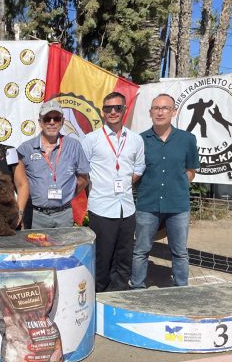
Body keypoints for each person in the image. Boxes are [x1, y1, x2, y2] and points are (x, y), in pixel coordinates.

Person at [131, 94, 200, 288]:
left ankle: (180, 290)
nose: (160, 112)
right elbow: (135, 171)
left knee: (179, 252)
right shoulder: (140, 140)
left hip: (178, 205)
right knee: (141, 250)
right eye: (156, 108)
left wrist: (175, 186)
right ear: (150, 112)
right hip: (147, 204)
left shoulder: (187, 139)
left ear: (173, 111)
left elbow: (191, 170)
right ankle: (136, 288)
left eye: (165, 108)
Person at [82, 92, 145, 292]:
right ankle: (99, 296)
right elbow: (83, 172)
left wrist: (124, 183)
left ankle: (118, 296)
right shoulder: (91, 139)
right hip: (101, 207)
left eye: (117, 107)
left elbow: (139, 168)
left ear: (124, 110)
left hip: (126, 208)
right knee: (102, 257)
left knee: (124, 257)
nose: (113, 112)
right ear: (103, 112)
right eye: (108, 108)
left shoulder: (135, 139)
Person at [16, 100, 89, 229]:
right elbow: (18, 183)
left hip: (64, 215)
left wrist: (67, 195)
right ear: (40, 122)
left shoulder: (74, 146)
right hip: (35, 216)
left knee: (63, 249)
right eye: (47, 118)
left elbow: (83, 179)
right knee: (36, 249)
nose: (51, 122)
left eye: (56, 118)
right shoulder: (25, 149)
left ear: (62, 121)